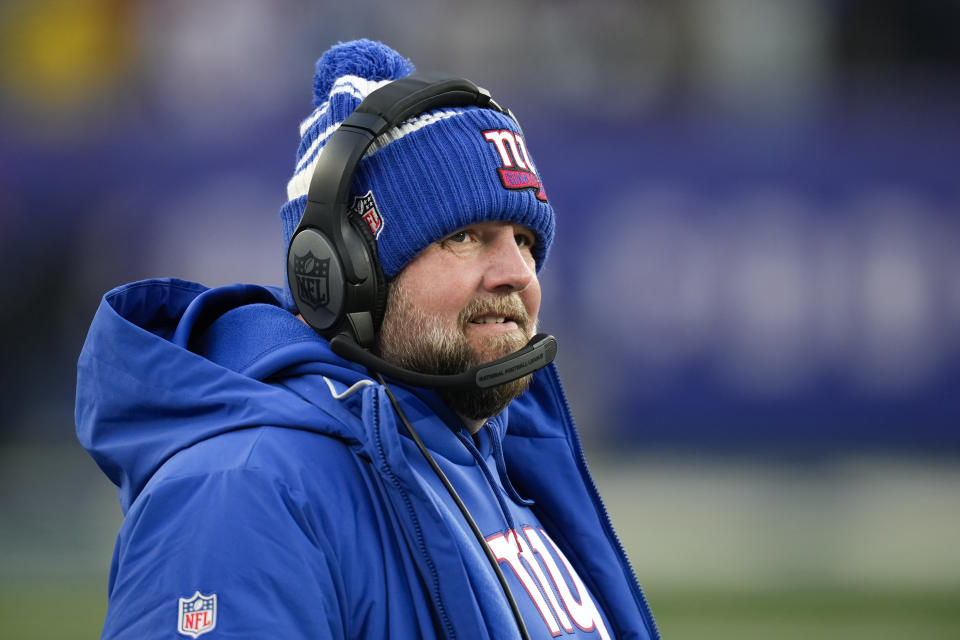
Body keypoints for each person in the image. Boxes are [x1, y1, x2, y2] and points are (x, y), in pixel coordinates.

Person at [76, 39, 659, 640]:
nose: (516, 273)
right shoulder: (243, 492)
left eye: (525, 241)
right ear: (336, 274)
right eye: (466, 236)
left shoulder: (485, 469)